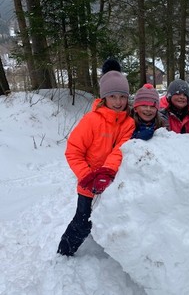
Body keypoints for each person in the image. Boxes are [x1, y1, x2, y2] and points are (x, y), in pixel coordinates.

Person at [57, 70, 135, 257]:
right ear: (104, 98)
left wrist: (106, 172)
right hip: (87, 184)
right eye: (113, 97)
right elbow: (73, 151)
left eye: (122, 97)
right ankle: (64, 252)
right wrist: (87, 176)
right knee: (83, 221)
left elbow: (119, 151)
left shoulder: (129, 123)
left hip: (111, 182)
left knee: (108, 216)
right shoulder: (91, 121)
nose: (118, 102)